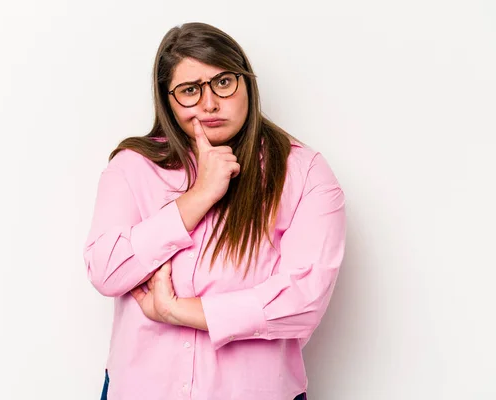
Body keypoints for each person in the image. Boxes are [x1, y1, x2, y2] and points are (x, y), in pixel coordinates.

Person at [83, 22, 346, 400]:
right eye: (190, 90)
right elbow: (105, 270)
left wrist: (178, 311)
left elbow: (303, 300)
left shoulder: (304, 173)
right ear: (167, 100)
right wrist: (199, 196)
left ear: (246, 83)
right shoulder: (133, 166)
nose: (209, 104)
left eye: (223, 82)